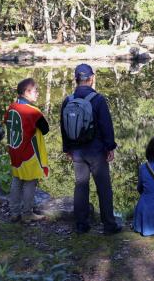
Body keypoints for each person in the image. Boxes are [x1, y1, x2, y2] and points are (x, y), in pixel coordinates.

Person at [60, 63, 121, 234]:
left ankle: (81, 224)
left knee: (80, 186)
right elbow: (106, 126)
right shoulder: (98, 99)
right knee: (104, 188)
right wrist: (110, 147)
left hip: (77, 151)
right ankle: (109, 225)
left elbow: (63, 126)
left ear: (76, 79)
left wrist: (67, 149)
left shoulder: (68, 100)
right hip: (96, 151)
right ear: (92, 78)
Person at [4, 78, 50, 223]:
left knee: (17, 179)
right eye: (36, 91)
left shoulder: (12, 107)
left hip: (15, 151)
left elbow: (7, 122)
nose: (38, 94)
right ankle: (27, 213)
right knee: (30, 181)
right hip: (29, 153)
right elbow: (45, 129)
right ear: (26, 92)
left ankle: (14, 212)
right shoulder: (33, 112)